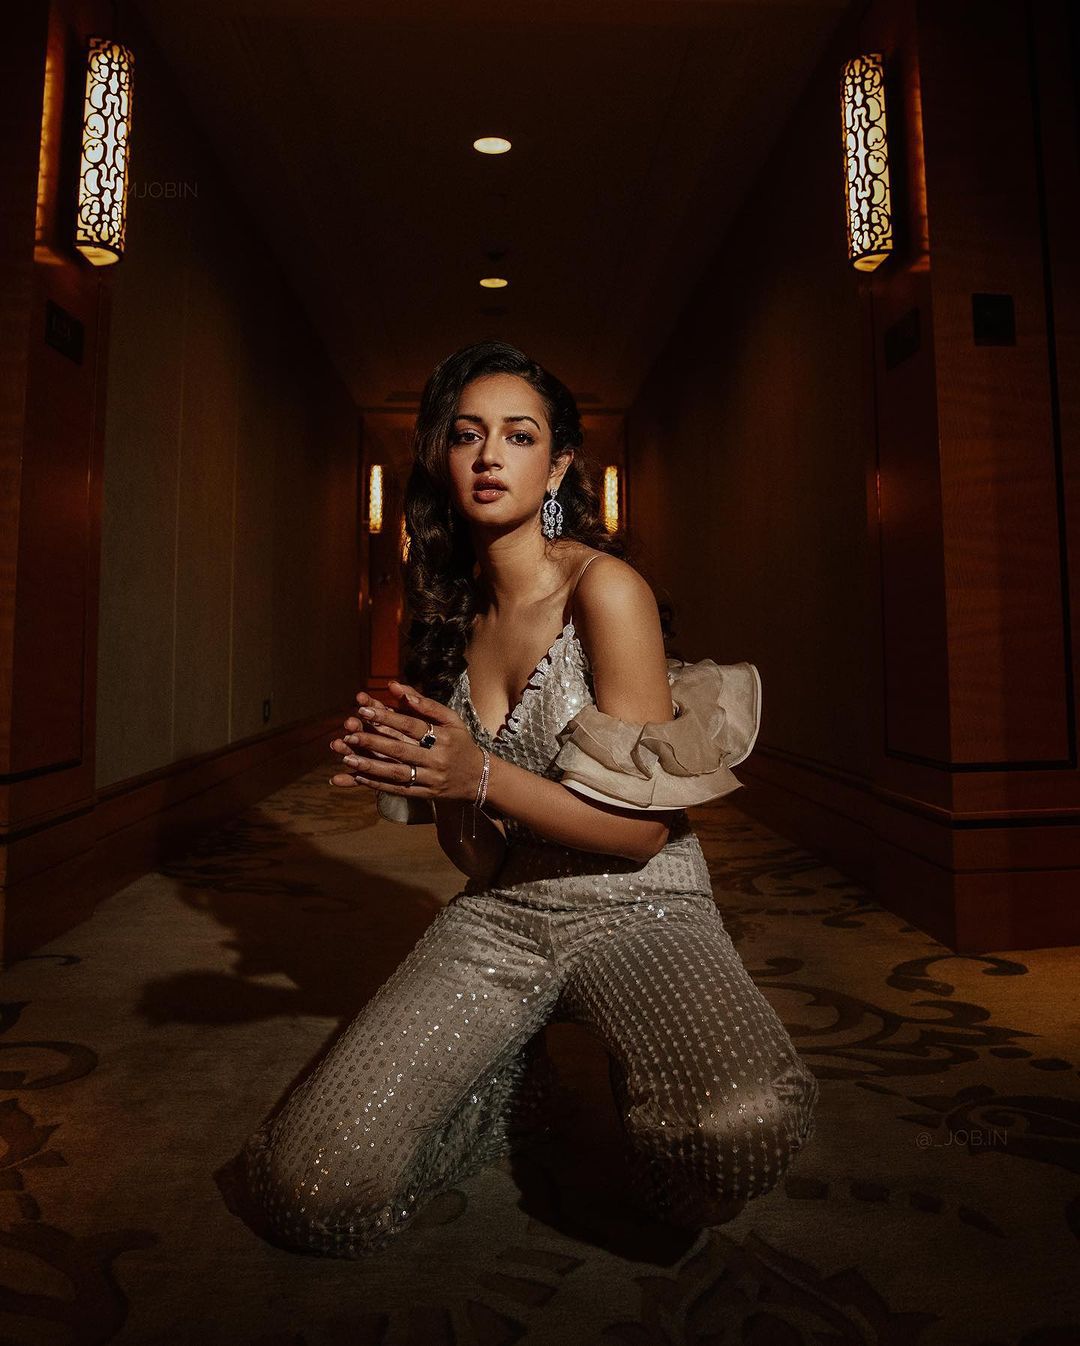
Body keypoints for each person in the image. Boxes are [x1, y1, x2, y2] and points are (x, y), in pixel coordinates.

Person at [218, 339, 820, 1257]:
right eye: (467, 435)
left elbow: (640, 837)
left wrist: (480, 774)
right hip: (503, 910)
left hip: (640, 905)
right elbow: (480, 858)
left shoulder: (605, 590)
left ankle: (636, 1094)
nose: (490, 455)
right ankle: (513, 1083)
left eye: (519, 435)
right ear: (441, 458)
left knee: (735, 1134)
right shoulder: (440, 616)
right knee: (309, 1191)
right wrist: (432, 781)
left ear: (559, 465)